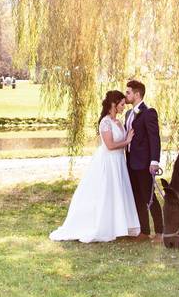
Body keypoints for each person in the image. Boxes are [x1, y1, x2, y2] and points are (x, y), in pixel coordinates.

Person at [50, 90, 140, 242]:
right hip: (108, 162)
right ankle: (102, 225)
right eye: (122, 104)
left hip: (119, 162)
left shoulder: (118, 121)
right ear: (114, 104)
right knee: (106, 193)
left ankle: (118, 225)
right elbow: (110, 145)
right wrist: (127, 141)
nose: (124, 107)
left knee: (117, 193)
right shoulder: (105, 122)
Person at [124, 79, 164, 242]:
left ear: (137, 94)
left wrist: (154, 161)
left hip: (144, 163)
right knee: (138, 197)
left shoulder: (149, 113)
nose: (126, 95)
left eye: (128, 92)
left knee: (150, 197)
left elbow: (154, 138)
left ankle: (161, 232)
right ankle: (144, 231)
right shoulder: (128, 114)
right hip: (130, 163)